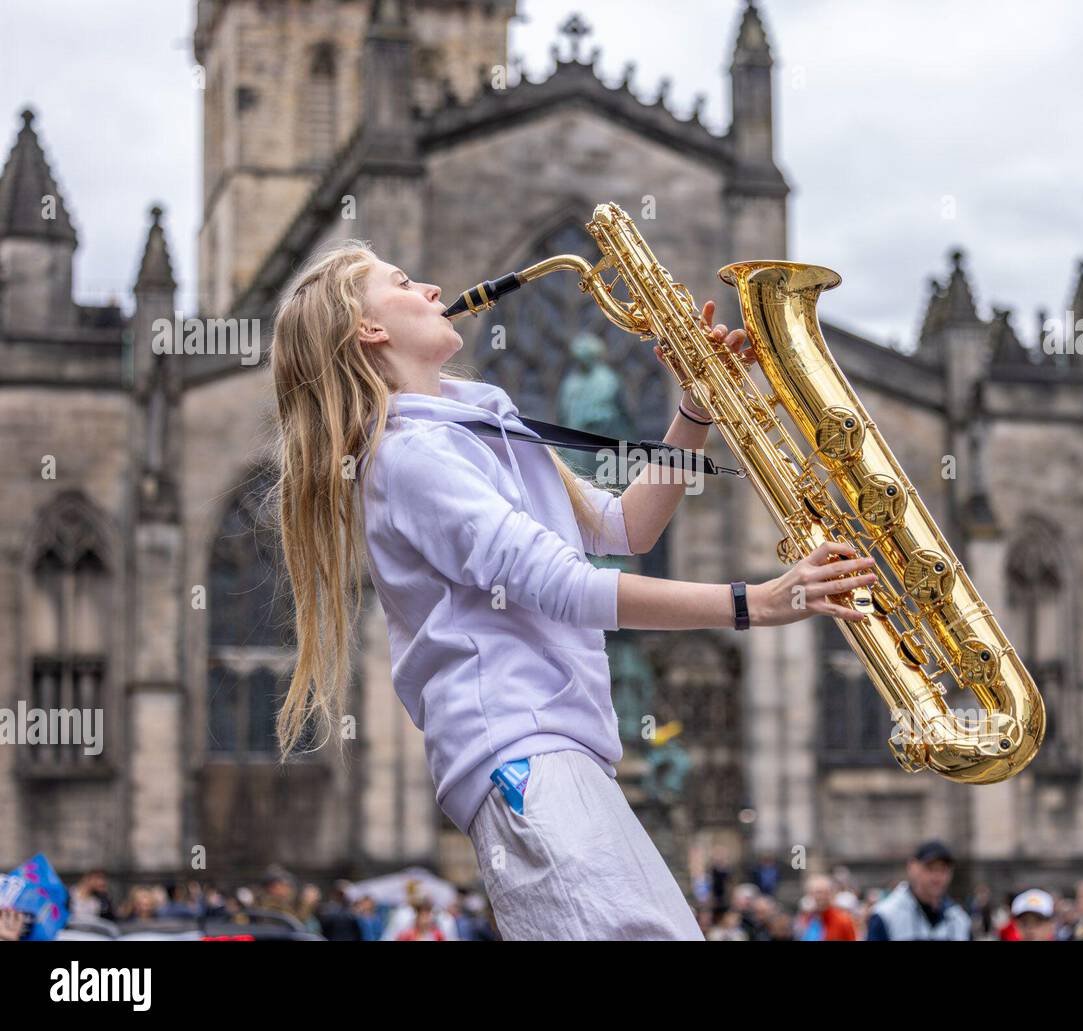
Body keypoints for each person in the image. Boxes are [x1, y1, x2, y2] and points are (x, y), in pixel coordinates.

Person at [267, 240, 878, 941]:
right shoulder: (411, 456)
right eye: (404, 283)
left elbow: (625, 527)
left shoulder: (470, 422)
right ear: (368, 330)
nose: (435, 287)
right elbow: (562, 584)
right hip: (523, 756)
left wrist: (696, 409)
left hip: (561, 752)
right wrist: (756, 601)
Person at [867, 840, 972, 940]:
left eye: (944, 870)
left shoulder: (959, 919)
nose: (937, 877)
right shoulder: (886, 916)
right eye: (930, 868)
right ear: (912, 867)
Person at [797, 875, 858, 940]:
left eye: (826, 892)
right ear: (810, 894)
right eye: (818, 892)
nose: (822, 896)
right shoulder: (807, 919)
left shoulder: (843, 920)